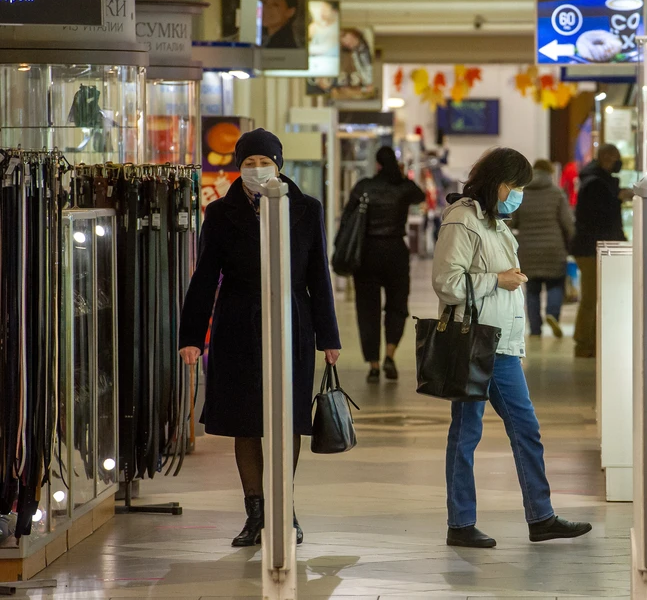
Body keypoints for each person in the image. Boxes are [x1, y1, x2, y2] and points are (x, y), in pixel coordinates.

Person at [178, 128, 340, 547]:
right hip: (238, 324)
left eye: (263, 162)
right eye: (248, 163)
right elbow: (204, 278)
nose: (255, 169)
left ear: (278, 165)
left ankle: (284, 509)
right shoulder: (220, 214)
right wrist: (191, 335)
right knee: (246, 422)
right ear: (239, 166)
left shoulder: (306, 209)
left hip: (293, 322)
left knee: (287, 419)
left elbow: (319, 275)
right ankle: (256, 513)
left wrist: (330, 337)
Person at [433, 147, 592, 548]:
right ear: (499, 183)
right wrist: (496, 280)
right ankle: (461, 523)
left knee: (526, 430)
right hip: (474, 342)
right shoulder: (463, 220)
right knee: (466, 434)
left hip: (501, 344)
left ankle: (541, 517)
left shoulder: (496, 222)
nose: (518, 193)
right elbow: (447, 283)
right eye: (516, 186)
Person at [345, 146, 425, 383]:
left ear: (377, 164)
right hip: (395, 253)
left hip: (367, 254)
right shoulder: (402, 187)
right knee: (397, 306)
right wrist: (401, 176)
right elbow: (419, 195)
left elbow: (349, 216)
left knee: (367, 310)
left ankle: (373, 364)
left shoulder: (364, 187)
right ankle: (390, 354)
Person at [570, 144, 631, 358]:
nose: (619, 161)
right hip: (591, 249)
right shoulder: (596, 183)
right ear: (606, 157)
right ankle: (584, 342)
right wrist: (618, 198)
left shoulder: (595, 180)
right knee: (590, 297)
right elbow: (600, 217)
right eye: (616, 157)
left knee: (595, 296)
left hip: (592, 247)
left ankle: (591, 340)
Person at [511, 159, 574, 338]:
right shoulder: (557, 193)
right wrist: (571, 243)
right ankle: (552, 316)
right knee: (555, 285)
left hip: (528, 249)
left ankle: (535, 329)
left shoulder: (522, 194)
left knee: (532, 289)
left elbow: (512, 221)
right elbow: (567, 223)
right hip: (554, 248)